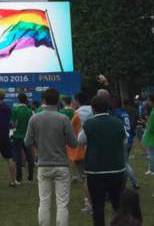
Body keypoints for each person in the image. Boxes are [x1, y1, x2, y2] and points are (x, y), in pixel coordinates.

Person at [26, 87, 78, 226]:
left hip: (43, 164)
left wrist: (38, 141)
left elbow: (27, 142)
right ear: (58, 101)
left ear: (43, 100)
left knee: (44, 201)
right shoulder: (63, 119)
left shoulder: (35, 118)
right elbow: (73, 143)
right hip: (61, 164)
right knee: (62, 203)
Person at [78, 94, 126, 226]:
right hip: (117, 169)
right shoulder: (117, 122)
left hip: (95, 171)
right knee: (118, 205)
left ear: (93, 109)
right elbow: (124, 140)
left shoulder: (89, 124)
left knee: (98, 206)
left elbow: (80, 141)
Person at [11, 93, 32, 185]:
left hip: (17, 136)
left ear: (18, 100)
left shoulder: (15, 110)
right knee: (29, 157)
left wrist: (13, 131)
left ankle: (18, 179)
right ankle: (30, 178)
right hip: (27, 136)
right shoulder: (29, 111)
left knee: (18, 158)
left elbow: (13, 124)